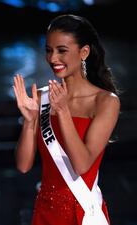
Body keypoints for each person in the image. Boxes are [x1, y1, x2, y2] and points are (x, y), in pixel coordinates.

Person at [13, 14, 119, 225]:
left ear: (84, 52)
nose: (53, 58)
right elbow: (23, 166)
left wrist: (62, 112)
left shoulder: (106, 102)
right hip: (44, 213)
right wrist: (29, 121)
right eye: (49, 50)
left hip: (82, 214)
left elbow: (82, 165)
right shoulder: (43, 98)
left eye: (62, 50)